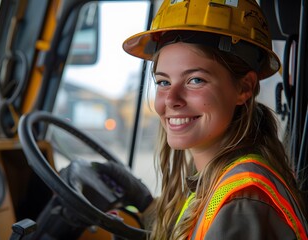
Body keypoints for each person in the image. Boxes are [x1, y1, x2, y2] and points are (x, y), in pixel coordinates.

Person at [93, 0, 308, 239]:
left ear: (244, 88)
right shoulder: (214, 182)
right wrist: (145, 206)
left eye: (195, 80)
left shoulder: (241, 201)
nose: (171, 99)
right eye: (164, 82)